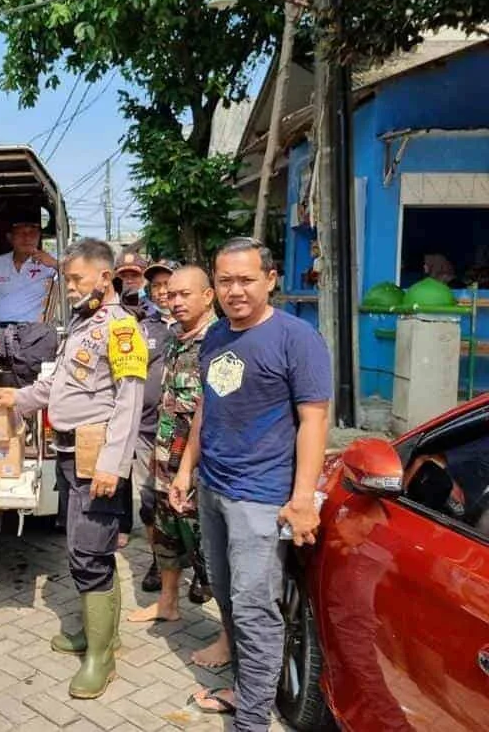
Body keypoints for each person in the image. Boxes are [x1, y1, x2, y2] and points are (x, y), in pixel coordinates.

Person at [170, 238, 332, 728]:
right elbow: (206, 407)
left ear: (270, 279)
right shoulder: (217, 335)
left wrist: (303, 498)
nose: (235, 290)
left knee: (256, 609)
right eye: (225, 281)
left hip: (260, 498)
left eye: (245, 279)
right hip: (214, 487)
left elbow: (315, 421)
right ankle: (245, 689)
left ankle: (252, 719)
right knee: (226, 592)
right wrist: (185, 468)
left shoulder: (296, 338)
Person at [0, 238, 145, 700]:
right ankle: (97, 634)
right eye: (68, 279)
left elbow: (129, 403)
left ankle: (102, 657)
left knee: (89, 551)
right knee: (83, 547)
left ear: (104, 276)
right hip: (71, 454)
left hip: (98, 459)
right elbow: (57, 383)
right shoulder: (83, 323)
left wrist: (112, 467)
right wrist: (16, 398)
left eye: (76, 279)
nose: (70, 287)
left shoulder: (120, 330)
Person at [125, 266, 230, 668]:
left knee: (210, 554)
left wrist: (190, 469)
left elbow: (212, 413)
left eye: (185, 294)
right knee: (165, 537)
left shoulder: (218, 343)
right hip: (165, 458)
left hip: (199, 467)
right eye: (171, 294)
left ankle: (226, 637)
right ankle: (168, 604)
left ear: (208, 297)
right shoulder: (175, 340)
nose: (176, 300)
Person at [113, 250, 165, 552]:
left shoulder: (154, 314)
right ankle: (122, 524)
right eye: (125, 275)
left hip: (156, 419)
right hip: (121, 405)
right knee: (121, 468)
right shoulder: (109, 309)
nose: (130, 280)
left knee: (152, 486)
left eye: (135, 275)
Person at [0, 207, 58, 329]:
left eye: (32, 233)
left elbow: (75, 277)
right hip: (0, 329)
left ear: (39, 237)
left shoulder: (51, 261)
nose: (27, 238)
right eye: (21, 233)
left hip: (34, 331)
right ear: (10, 237)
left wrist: (54, 263)